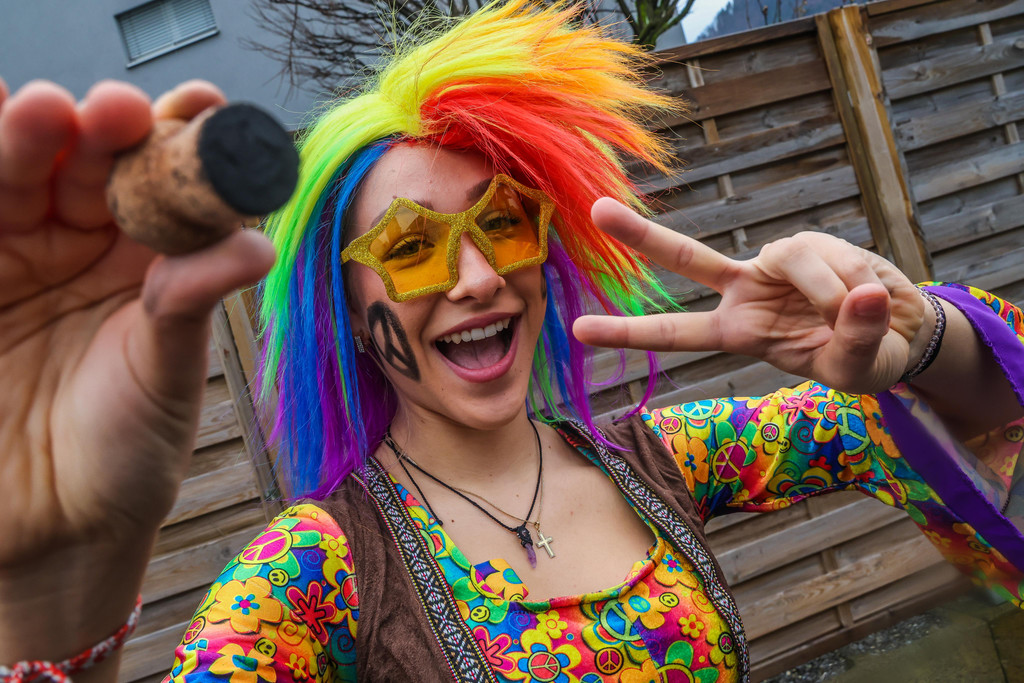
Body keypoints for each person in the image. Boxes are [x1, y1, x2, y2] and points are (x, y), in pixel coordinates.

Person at [1, 2, 1022, 682]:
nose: (479, 277)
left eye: (502, 224)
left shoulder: (661, 461)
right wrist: (54, 594)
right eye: (410, 248)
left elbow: (964, 413)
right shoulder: (316, 571)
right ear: (347, 313)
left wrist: (916, 334)